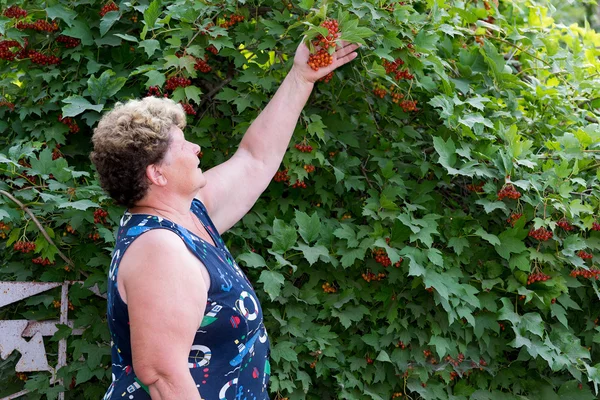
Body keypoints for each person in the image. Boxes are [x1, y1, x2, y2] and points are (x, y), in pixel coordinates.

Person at [91, 40, 359, 400]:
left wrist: (301, 78)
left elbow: (255, 158)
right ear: (157, 174)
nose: (195, 148)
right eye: (182, 144)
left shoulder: (187, 214)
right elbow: (163, 377)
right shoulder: (159, 251)